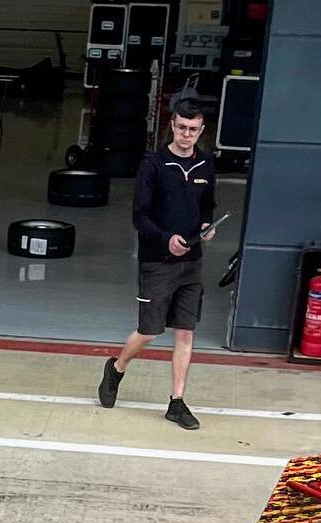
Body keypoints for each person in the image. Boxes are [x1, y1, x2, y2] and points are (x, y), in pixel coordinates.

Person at [98, 99, 218, 431]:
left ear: (201, 130)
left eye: (193, 130)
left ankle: (176, 403)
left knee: (185, 332)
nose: (186, 134)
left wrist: (208, 228)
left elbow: (209, 207)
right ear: (172, 125)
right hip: (158, 261)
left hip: (192, 262)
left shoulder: (206, 165)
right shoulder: (153, 164)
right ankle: (117, 368)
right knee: (150, 331)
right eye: (181, 127)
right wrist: (166, 239)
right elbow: (139, 215)